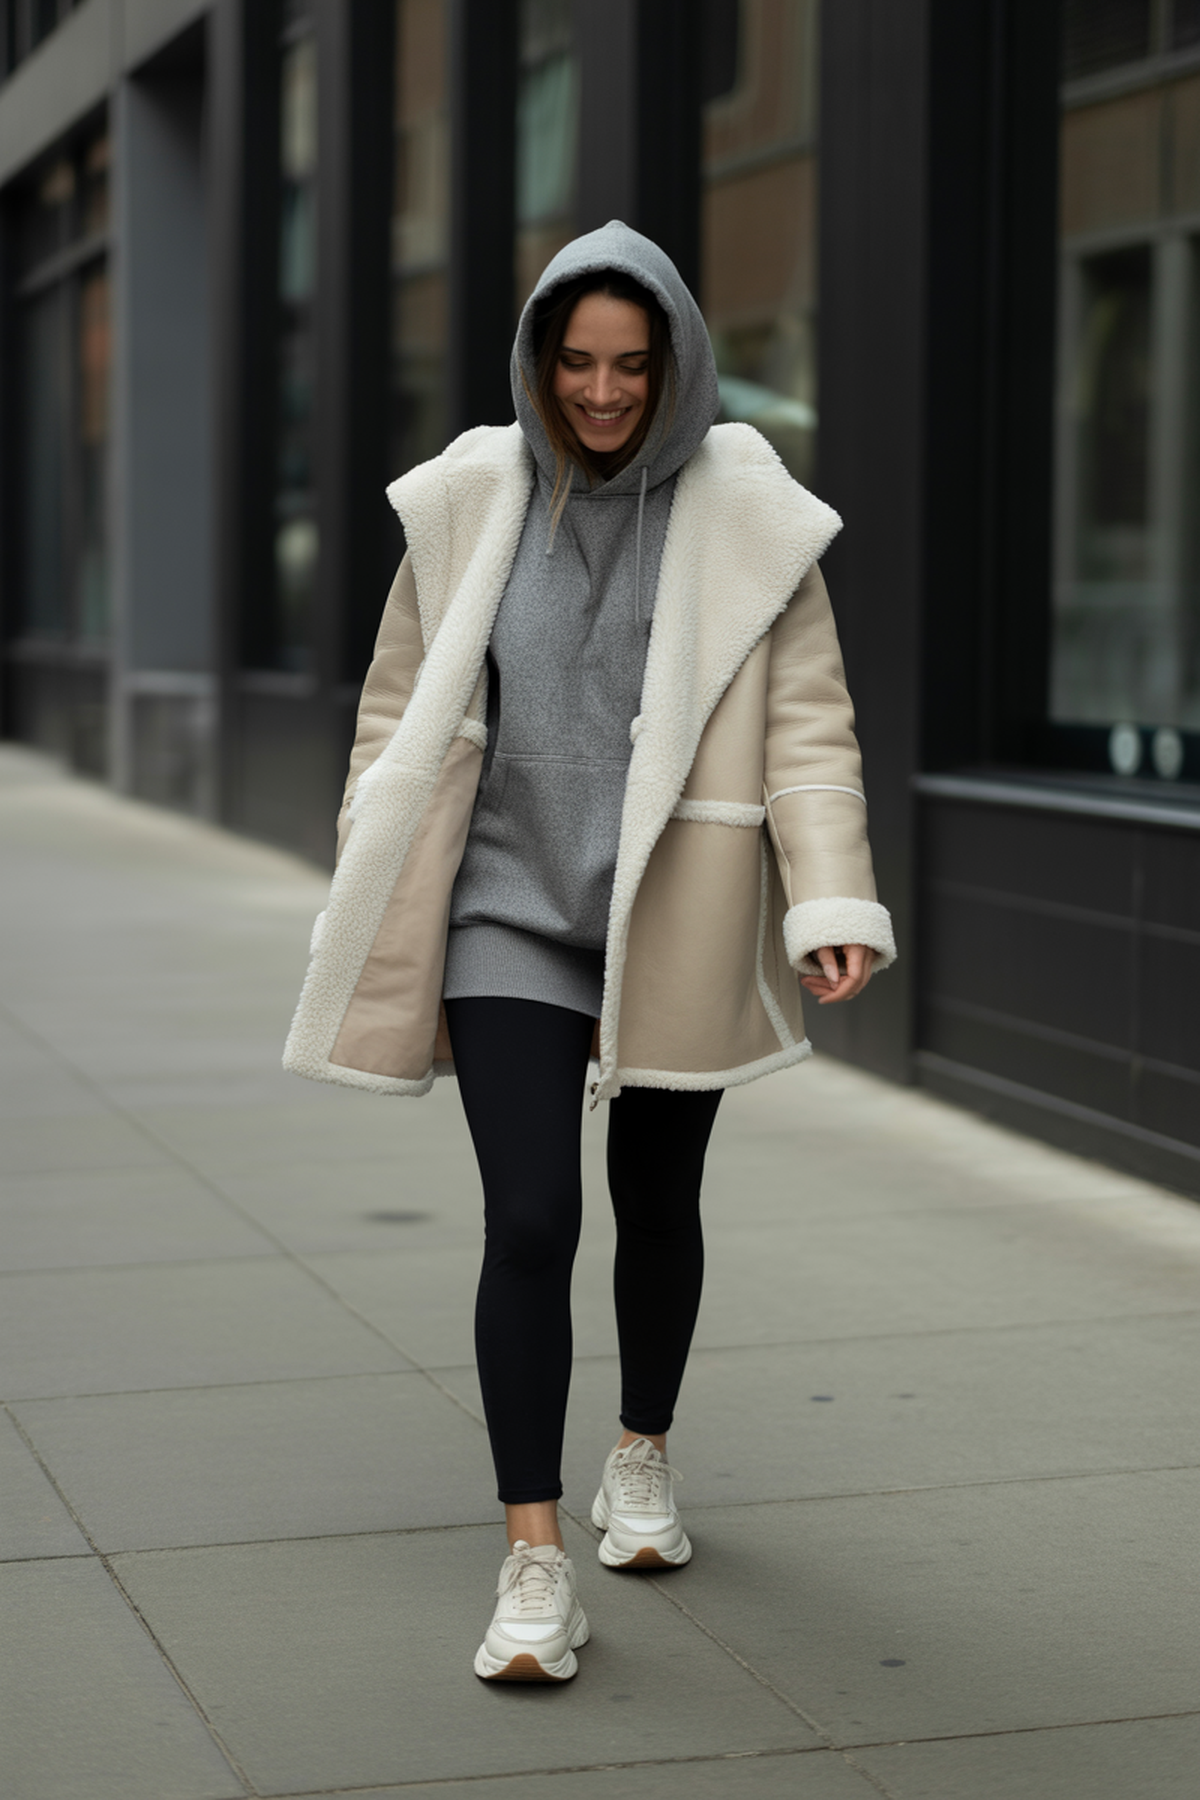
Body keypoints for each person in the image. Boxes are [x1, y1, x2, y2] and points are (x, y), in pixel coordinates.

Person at [285, 221, 895, 1683]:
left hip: (672, 902)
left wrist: (828, 898)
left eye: (632, 364)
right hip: (510, 908)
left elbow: (812, 728)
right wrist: (375, 856)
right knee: (533, 1222)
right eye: (578, 364)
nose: (606, 393)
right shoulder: (471, 501)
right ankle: (534, 1560)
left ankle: (642, 1454)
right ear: (538, 363)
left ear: (675, 361)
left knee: (659, 1198)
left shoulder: (748, 514)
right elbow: (394, 708)